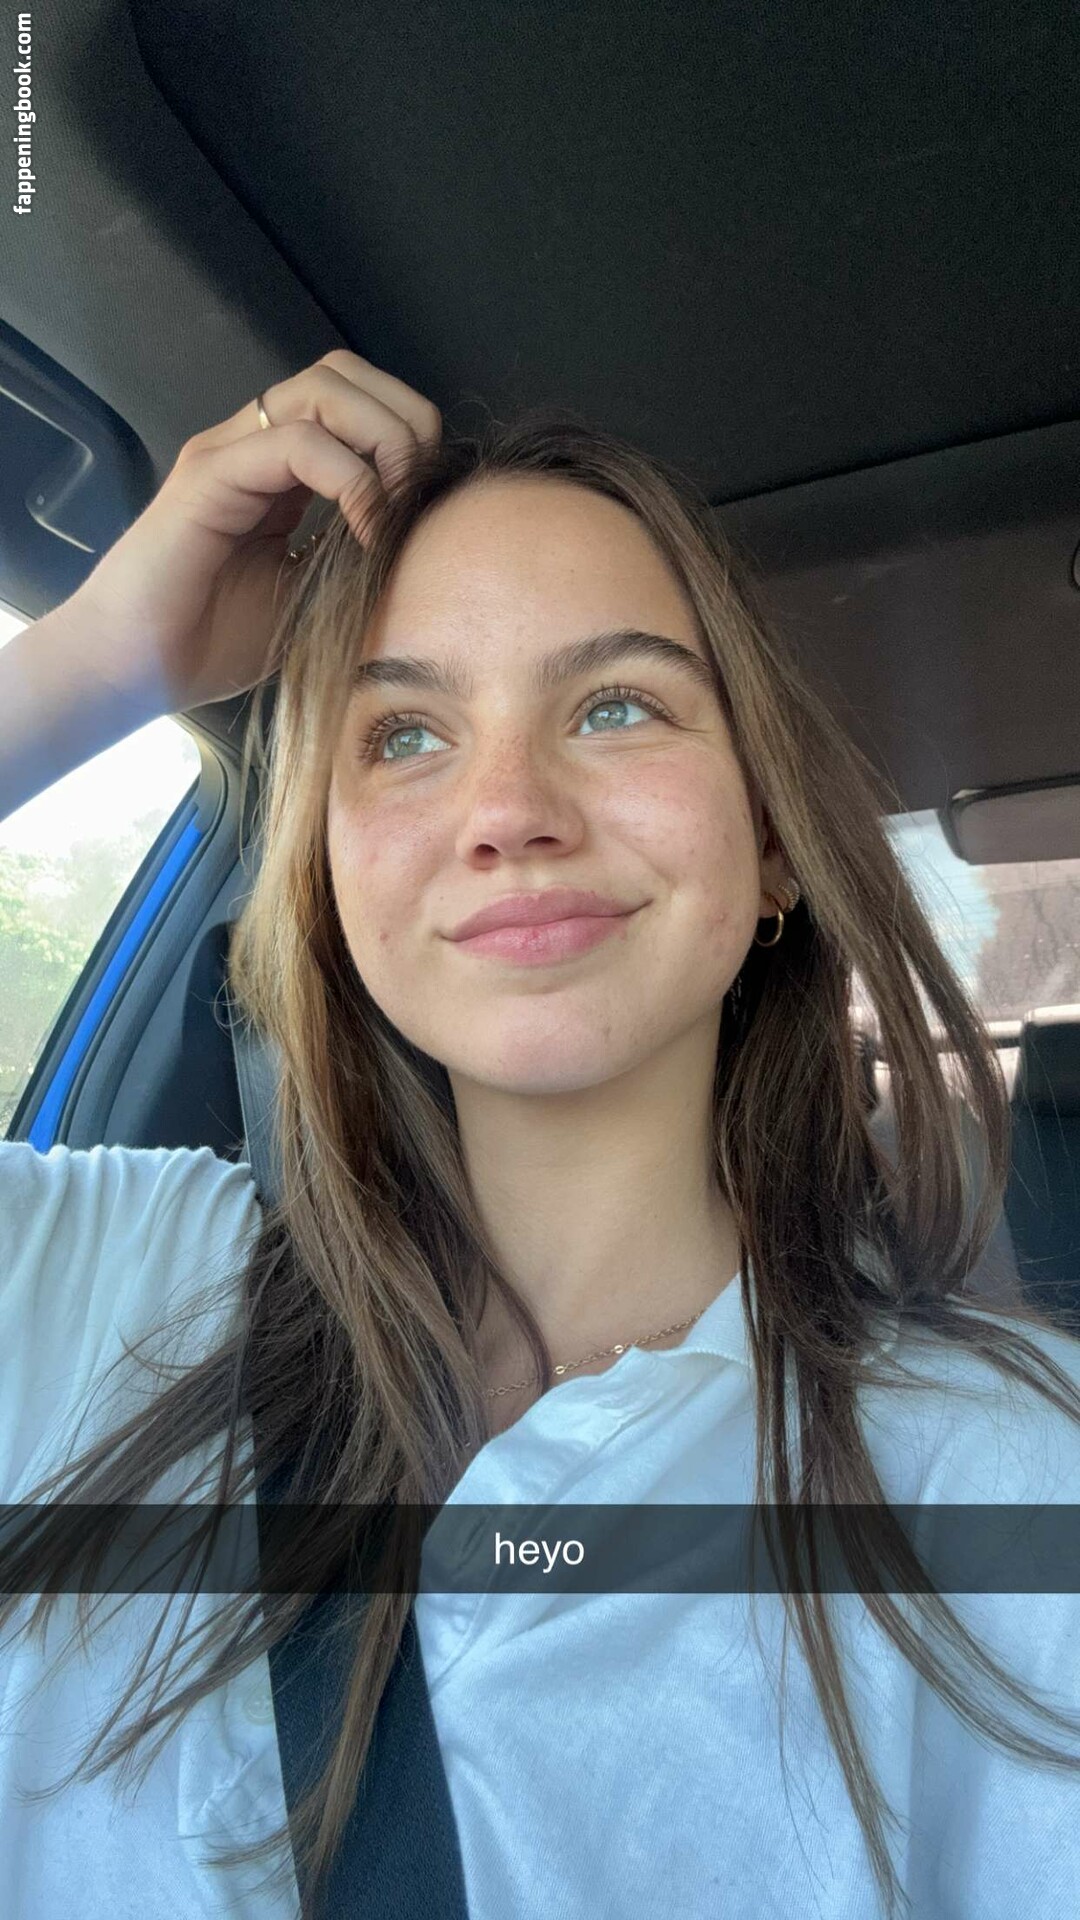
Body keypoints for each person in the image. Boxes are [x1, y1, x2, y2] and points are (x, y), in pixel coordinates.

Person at [0, 350, 1079, 1920]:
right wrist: (106, 653)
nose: (508, 807)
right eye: (403, 736)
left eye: (617, 705)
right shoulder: (104, 1294)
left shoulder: (1008, 1476)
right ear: (326, 878)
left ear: (772, 848)